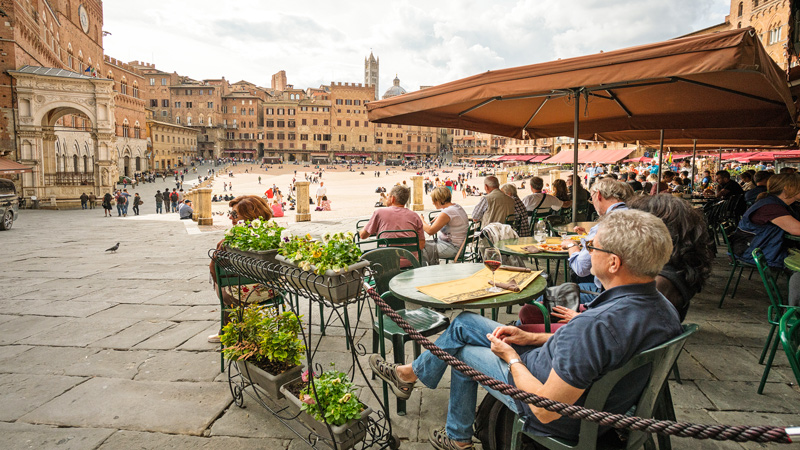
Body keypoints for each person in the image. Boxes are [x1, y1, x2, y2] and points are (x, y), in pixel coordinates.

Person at [369, 210, 681, 448]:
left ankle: (449, 428)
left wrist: (512, 358)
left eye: (590, 246)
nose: (586, 250)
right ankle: (412, 378)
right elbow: (600, 350)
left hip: (551, 405)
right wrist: (530, 336)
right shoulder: (664, 309)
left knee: (461, 351)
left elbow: (546, 410)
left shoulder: (594, 326)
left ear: (613, 263)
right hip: (591, 397)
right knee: (463, 323)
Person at [208, 195, 274, 343]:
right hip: (274, 291)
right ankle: (236, 327)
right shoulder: (275, 235)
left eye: (234, 214)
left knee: (223, 286)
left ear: (250, 215)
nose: (231, 217)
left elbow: (215, 272)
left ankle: (227, 330)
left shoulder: (228, 242)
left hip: (241, 296)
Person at [562, 178, 632, 304]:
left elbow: (580, 268)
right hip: (633, 291)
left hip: (609, 294)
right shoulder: (637, 215)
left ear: (598, 195)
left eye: (591, 198)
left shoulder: (604, 225)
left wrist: (571, 245)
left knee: (543, 299)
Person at [736, 173, 800, 268]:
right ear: (788, 188)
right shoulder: (771, 207)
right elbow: (797, 230)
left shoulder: (773, 202)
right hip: (754, 253)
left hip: (759, 248)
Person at [359, 185, 425, 262]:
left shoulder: (379, 213)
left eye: (388, 196)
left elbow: (363, 235)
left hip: (386, 263)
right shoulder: (415, 216)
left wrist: (366, 227)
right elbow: (421, 245)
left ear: (392, 198)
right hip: (411, 262)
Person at [421, 186, 469, 265]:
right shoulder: (456, 207)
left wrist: (421, 220)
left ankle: (426, 271)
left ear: (439, 200)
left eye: (434, 200)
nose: (433, 203)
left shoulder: (447, 212)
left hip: (452, 248)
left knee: (420, 248)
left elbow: (430, 231)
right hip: (459, 246)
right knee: (422, 244)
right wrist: (441, 214)